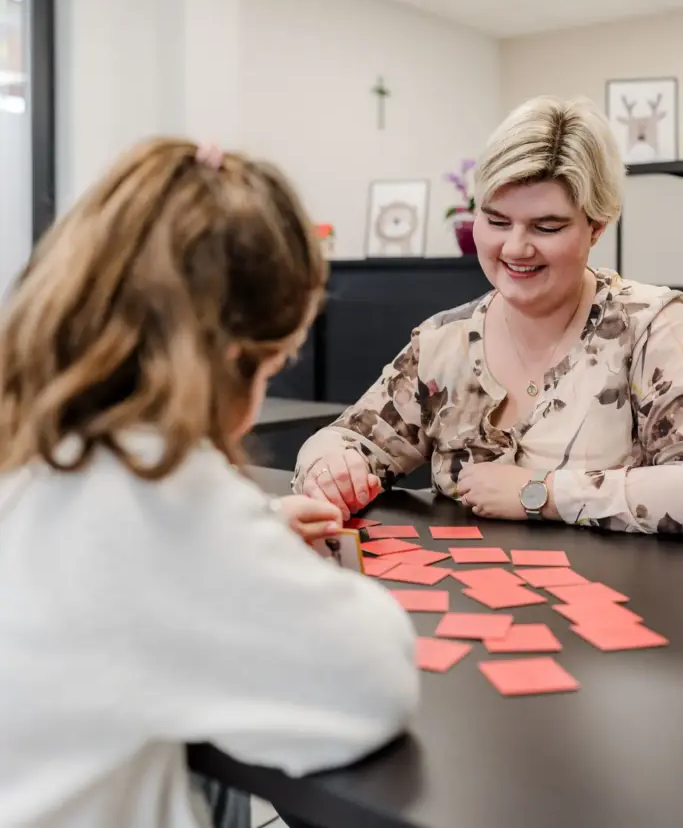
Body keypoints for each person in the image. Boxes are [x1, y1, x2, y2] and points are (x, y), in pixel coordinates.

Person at [0, 138, 418, 828]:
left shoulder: (38, 444)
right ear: (229, 361)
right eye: (272, 367)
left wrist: (245, 538)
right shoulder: (166, 498)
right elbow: (376, 682)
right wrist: (248, 547)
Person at [295, 96, 683, 535]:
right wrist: (329, 466)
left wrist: (541, 493)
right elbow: (348, 438)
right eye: (497, 222)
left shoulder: (652, 328)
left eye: (546, 227)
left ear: (596, 227)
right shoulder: (445, 341)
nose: (515, 248)